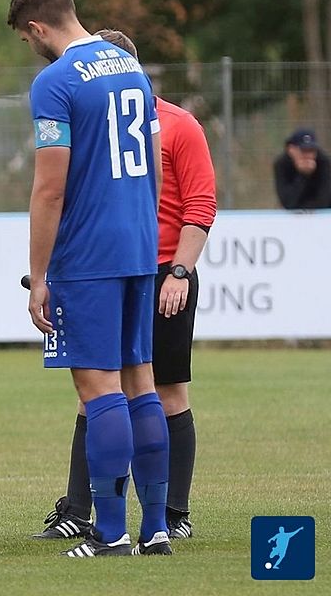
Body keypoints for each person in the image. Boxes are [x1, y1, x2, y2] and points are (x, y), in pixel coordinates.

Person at [32, 29, 217, 544]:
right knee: (100, 394)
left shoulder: (180, 126)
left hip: (152, 271)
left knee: (161, 389)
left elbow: (200, 204)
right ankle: (83, 509)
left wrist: (179, 270)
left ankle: (169, 514)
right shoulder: (97, 122)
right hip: (118, 265)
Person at [8, 0, 171, 557]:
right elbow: (152, 161)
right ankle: (155, 530)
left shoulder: (53, 83)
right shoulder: (131, 69)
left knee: (98, 388)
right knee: (142, 383)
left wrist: (39, 276)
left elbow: (49, 189)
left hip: (88, 255)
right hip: (138, 245)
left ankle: (110, 533)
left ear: (36, 29)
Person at [273, 128, 331, 209]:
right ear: (291, 150)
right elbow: (287, 202)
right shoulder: (281, 164)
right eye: (303, 150)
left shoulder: (323, 162)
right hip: (294, 212)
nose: (308, 155)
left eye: (312, 151)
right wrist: (303, 175)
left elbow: (324, 200)